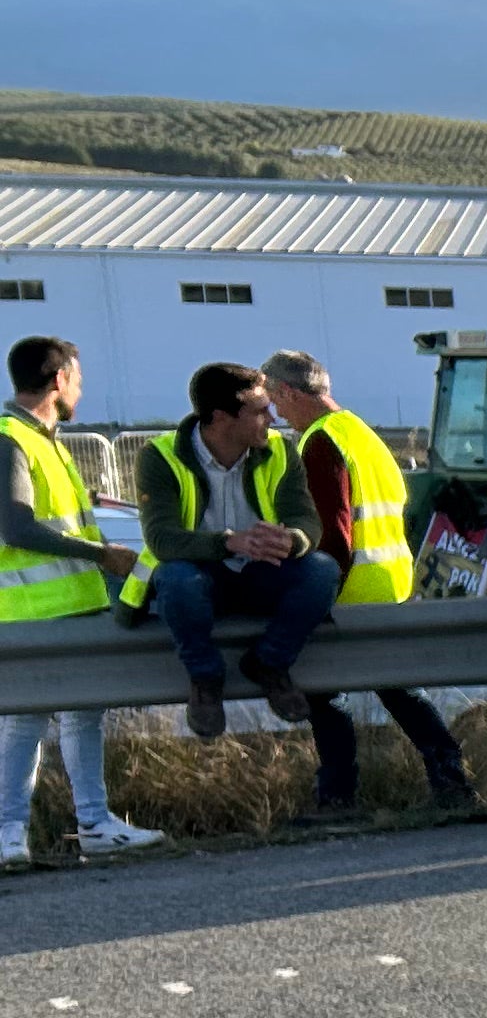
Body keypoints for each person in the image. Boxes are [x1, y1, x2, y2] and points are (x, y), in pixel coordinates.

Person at [260, 351, 483, 825]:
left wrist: (315, 593)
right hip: (389, 584)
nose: (275, 412)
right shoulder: (362, 434)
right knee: (399, 690)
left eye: (275, 398)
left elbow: (334, 532)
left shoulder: (320, 443)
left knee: (324, 693)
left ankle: (339, 799)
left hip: (349, 590)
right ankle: (452, 784)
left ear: (292, 392)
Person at [0, 336, 166, 866]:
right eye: (78, 378)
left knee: (82, 717)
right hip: (32, 611)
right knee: (27, 722)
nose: (81, 388)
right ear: (57, 381)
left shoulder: (43, 439)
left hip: (67, 606)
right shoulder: (12, 440)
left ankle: (93, 825)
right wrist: (101, 554)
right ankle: (9, 833)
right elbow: (15, 528)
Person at [121, 361, 341, 742]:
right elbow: (162, 540)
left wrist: (292, 540)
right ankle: (205, 680)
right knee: (175, 577)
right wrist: (228, 542)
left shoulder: (280, 452)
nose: (272, 418)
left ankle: (269, 664)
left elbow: (307, 523)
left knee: (321, 570)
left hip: (262, 573)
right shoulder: (158, 456)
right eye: (260, 410)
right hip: (201, 580)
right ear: (222, 418)